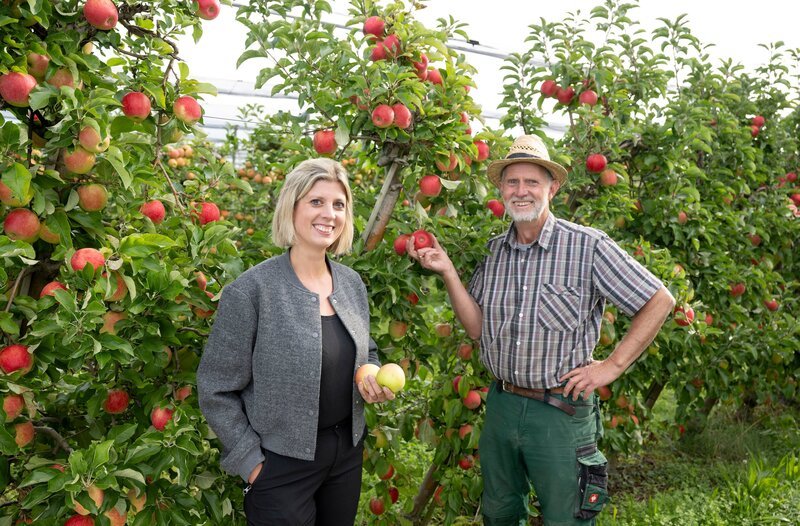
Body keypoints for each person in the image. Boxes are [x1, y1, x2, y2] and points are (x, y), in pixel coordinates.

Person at [407, 135, 675, 525]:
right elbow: (479, 329)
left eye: (532, 182)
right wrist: (449, 271)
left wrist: (613, 365)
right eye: (512, 182)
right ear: (501, 189)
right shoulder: (494, 251)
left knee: (566, 515)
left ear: (553, 187)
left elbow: (659, 300)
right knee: (499, 511)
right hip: (502, 404)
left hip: (560, 411)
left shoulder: (587, 247)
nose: (521, 191)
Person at [197, 157, 393, 526]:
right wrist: (252, 464)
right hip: (280, 463)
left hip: (345, 454)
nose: (329, 214)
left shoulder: (351, 285)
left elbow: (365, 352)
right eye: (316, 201)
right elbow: (215, 388)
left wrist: (372, 377)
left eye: (338, 204)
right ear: (292, 206)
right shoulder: (253, 291)